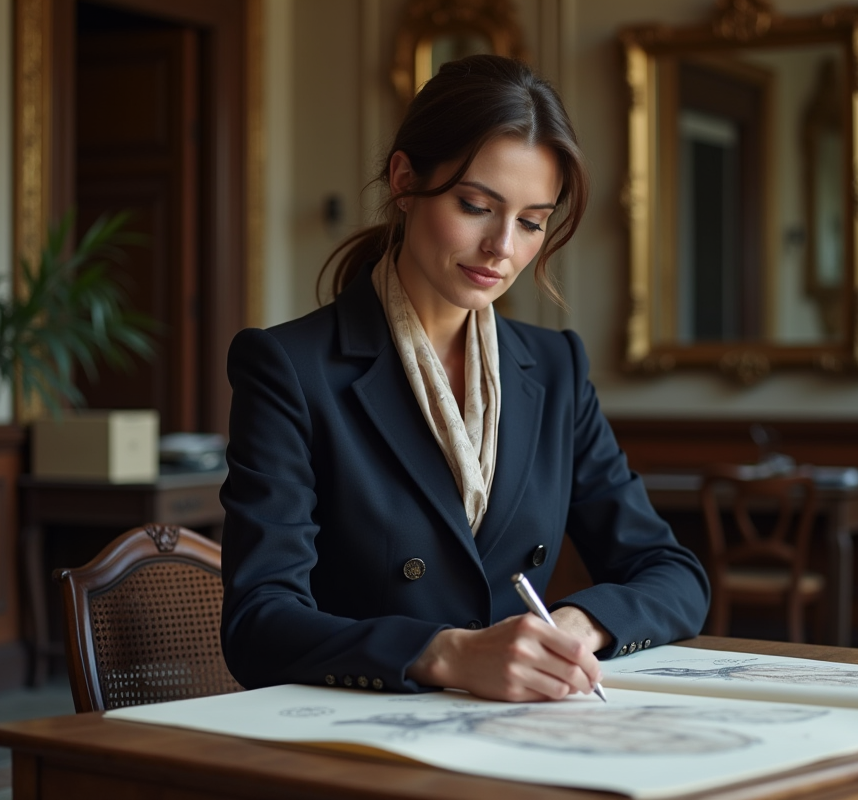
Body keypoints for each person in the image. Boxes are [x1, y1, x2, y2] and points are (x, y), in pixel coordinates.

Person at [219, 54, 710, 702]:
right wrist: (445, 654)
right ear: (403, 179)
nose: (502, 246)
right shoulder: (290, 369)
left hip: (517, 731)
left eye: (533, 221)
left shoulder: (555, 369)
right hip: (364, 740)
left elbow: (674, 575)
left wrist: (577, 624)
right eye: (476, 205)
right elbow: (259, 624)